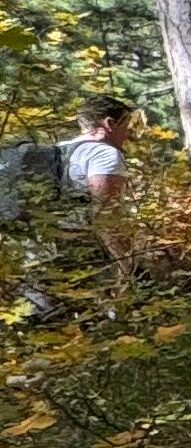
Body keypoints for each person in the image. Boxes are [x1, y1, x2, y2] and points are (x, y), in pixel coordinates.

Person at [4, 95, 131, 320]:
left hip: (37, 245)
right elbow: (106, 215)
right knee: (99, 318)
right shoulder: (104, 153)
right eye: (126, 127)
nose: (127, 135)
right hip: (80, 247)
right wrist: (125, 262)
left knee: (46, 320)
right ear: (109, 124)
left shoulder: (57, 150)